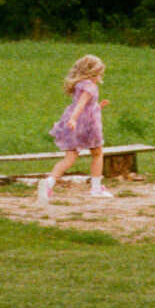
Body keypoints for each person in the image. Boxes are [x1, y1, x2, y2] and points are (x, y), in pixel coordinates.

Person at [38, 55, 111, 202]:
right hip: (88, 125)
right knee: (97, 153)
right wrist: (73, 119)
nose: (98, 77)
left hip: (75, 124)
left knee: (69, 159)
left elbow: (84, 105)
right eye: (98, 74)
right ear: (92, 72)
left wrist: (98, 107)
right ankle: (96, 188)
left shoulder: (80, 84)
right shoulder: (90, 85)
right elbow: (81, 104)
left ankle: (48, 183)